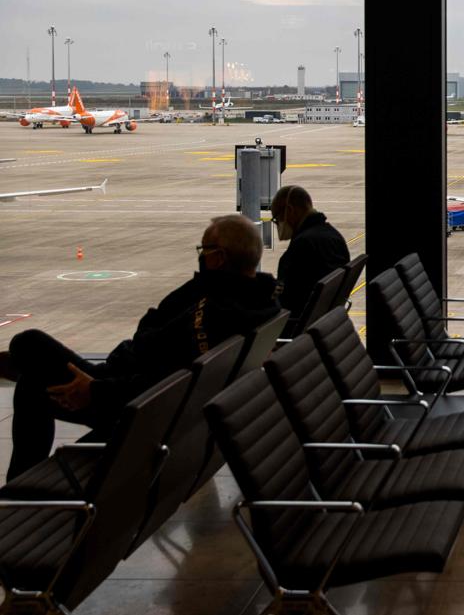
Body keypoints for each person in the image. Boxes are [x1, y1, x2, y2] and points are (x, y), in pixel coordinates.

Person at [2, 215, 280, 480]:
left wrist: (95, 391)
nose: (200, 256)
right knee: (31, 384)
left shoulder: (215, 310)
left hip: (130, 405)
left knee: (27, 344)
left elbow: (162, 374)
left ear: (219, 258)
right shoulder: (256, 302)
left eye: (203, 250)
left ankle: (18, 492)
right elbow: (158, 335)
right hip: (152, 402)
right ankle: (19, 489)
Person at [270, 185, 350, 327]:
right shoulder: (334, 236)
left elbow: (286, 302)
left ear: (289, 211)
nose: (278, 225)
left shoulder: (302, 246)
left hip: (297, 328)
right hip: (327, 324)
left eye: (277, 219)